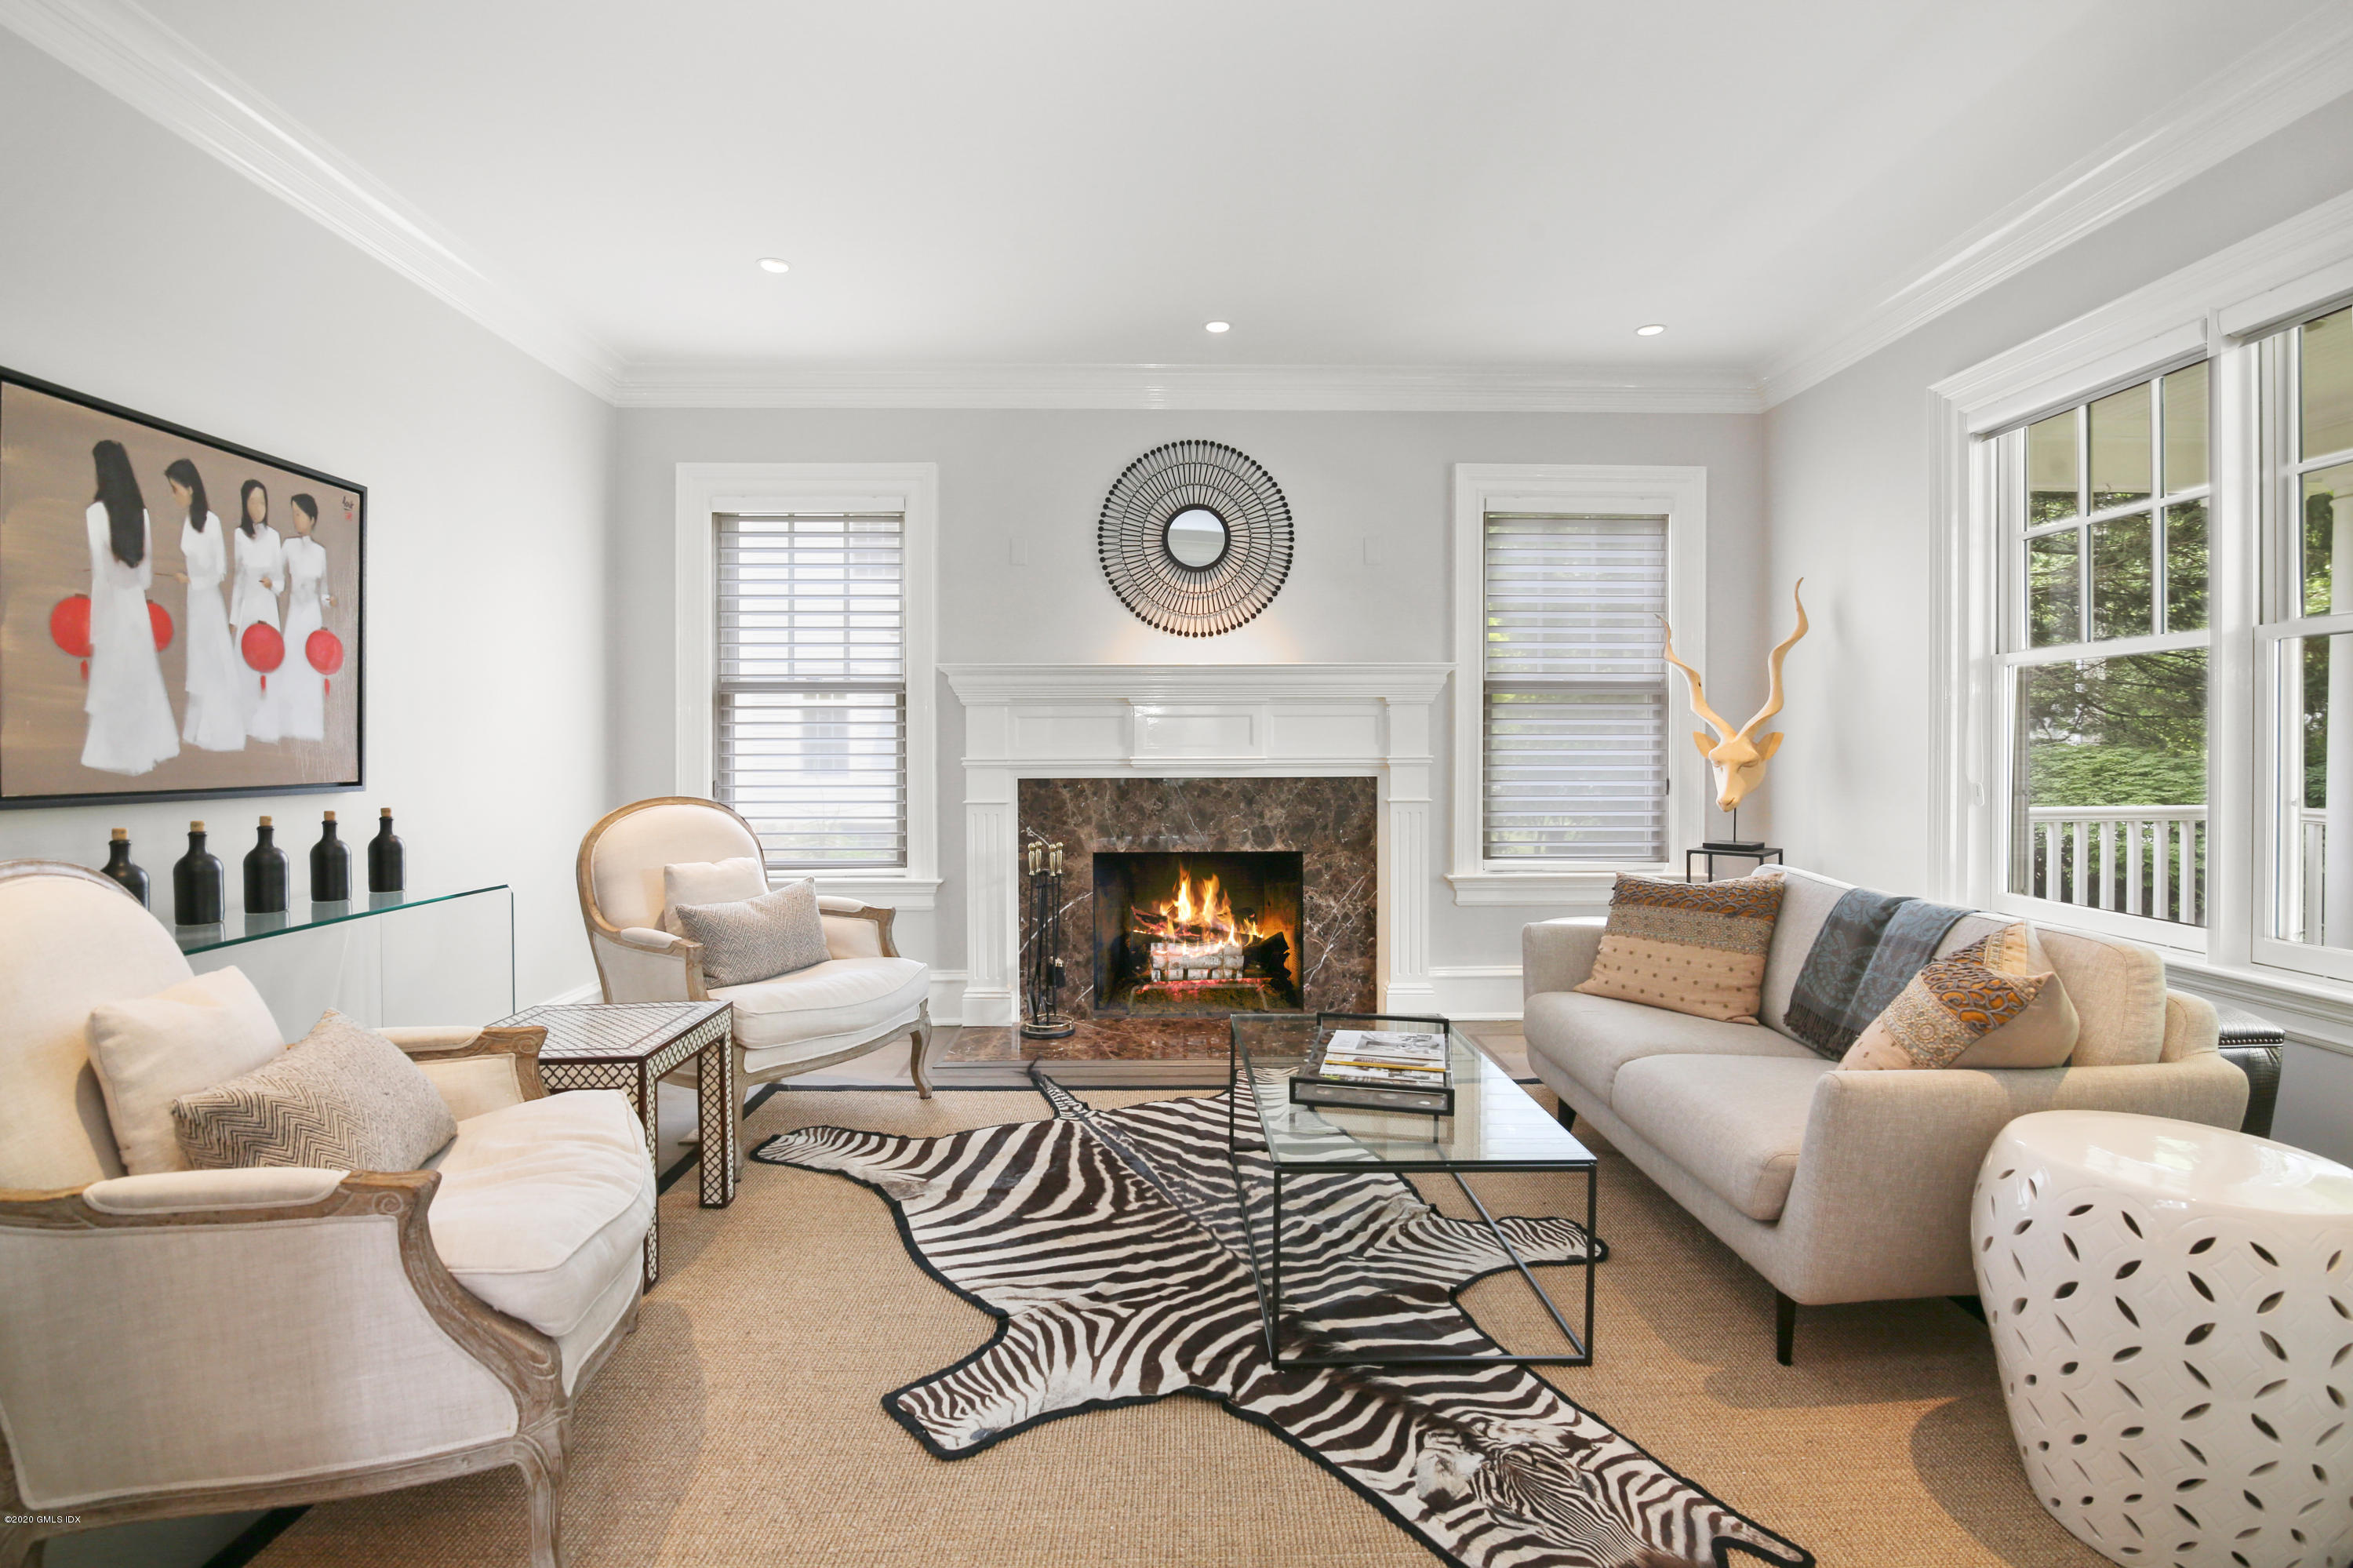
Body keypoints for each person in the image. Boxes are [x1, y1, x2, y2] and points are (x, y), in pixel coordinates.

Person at [78, 440, 180, 774]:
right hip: (135, 608)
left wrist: (95, 623)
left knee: (113, 683)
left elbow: (101, 574)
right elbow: (146, 577)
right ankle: (144, 749)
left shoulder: (96, 513)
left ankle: (113, 753)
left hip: (111, 607)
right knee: (140, 680)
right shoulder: (141, 514)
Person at [166, 457, 244, 751]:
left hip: (207, 602)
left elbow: (219, 571)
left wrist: (191, 581)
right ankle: (198, 727)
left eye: (176, 489)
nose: (174, 495)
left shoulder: (211, 523)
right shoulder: (188, 521)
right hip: (194, 603)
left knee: (212, 663)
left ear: (190, 488)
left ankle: (217, 730)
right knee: (199, 663)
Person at [230, 478, 285, 741]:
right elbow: (238, 580)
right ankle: (244, 721)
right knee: (244, 662)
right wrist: (233, 618)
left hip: (267, 607)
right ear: (245, 504)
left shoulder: (274, 537)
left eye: (262, 501)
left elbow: (282, 583)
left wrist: (271, 584)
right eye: (253, 501)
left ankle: (266, 723)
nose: (258, 506)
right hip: (248, 608)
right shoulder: (239, 535)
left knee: (268, 661)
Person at [277, 493, 332, 741]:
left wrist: (332, 602)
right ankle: (288, 725)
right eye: (294, 513)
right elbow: (277, 578)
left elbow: (325, 592)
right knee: (292, 665)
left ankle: (309, 727)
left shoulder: (321, 552)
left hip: (312, 617)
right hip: (295, 615)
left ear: (311, 518)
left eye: (299, 514)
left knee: (311, 669)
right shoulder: (288, 546)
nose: (295, 519)